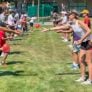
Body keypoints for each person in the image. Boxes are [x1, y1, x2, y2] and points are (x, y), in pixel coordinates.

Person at [42, 11, 92, 84]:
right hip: (83, 42)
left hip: (89, 41)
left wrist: (81, 39)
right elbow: (62, 26)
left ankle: (90, 80)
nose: (68, 16)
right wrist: (49, 29)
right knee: (81, 60)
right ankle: (82, 77)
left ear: (74, 15)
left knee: (88, 61)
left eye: (70, 15)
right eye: (68, 15)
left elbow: (89, 31)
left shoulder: (79, 22)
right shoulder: (71, 23)